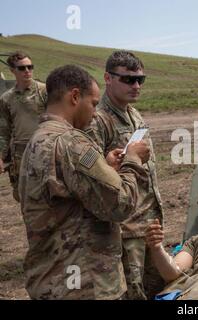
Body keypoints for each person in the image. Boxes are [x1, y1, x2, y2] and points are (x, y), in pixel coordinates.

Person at [18, 65, 151, 300]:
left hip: (52, 279)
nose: (94, 112)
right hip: (84, 283)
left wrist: (106, 169)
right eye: (93, 103)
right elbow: (120, 204)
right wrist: (133, 160)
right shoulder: (72, 143)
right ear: (75, 96)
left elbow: (66, 194)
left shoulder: (37, 141)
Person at [87, 51, 164, 300]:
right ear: (108, 78)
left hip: (150, 221)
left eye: (141, 79)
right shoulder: (97, 120)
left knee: (157, 289)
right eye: (129, 80)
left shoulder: (133, 114)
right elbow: (93, 180)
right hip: (126, 229)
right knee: (135, 293)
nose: (137, 85)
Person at [0, 51, 47, 201]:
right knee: (24, 195)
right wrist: (0, 156)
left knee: (50, 191)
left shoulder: (45, 91)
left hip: (46, 148)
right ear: (12, 70)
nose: (27, 71)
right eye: (22, 68)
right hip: (21, 152)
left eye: (30, 67)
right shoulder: (6, 99)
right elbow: (3, 130)